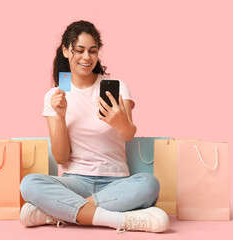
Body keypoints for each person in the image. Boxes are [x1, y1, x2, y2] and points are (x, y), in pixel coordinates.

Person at [19, 20, 169, 233]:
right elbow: (61, 158)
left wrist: (120, 122)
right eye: (79, 51)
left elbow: (128, 135)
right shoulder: (56, 95)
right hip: (74, 183)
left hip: (116, 182)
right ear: (65, 51)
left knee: (149, 184)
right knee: (29, 184)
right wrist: (60, 116)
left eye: (92, 51)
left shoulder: (117, 87)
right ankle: (118, 220)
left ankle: (58, 214)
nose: (86, 57)